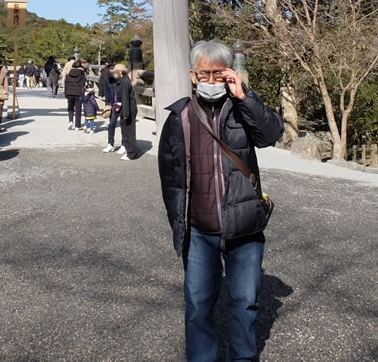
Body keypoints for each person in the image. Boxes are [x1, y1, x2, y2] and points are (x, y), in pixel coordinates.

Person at [158, 40, 283, 362]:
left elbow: (271, 135)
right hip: (199, 230)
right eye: (205, 74)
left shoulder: (242, 109)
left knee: (245, 302)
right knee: (198, 305)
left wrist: (245, 96)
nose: (211, 81)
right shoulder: (180, 116)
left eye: (218, 74)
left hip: (244, 228)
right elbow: (170, 178)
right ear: (193, 75)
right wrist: (179, 225)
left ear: (230, 74)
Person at [110, 64, 139, 160]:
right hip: (123, 109)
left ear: (120, 72)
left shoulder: (125, 82)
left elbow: (126, 99)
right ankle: (128, 149)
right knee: (125, 131)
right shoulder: (121, 81)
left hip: (128, 110)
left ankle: (131, 153)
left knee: (129, 132)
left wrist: (126, 113)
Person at [102, 66, 121, 153]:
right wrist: (107, 103)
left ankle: (124, 145)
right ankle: (110, 144)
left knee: (124, 126)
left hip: (122, 104)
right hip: (113, 105)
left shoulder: (122, 79)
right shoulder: (108, 79)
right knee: (111, 124)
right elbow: (107, 92)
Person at [64, 60, 87, 130]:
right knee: (78, 110)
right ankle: (77, 125)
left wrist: (66, 94)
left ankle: (71, 121)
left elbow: (66, 85)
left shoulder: (68, 75)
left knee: (70, 108)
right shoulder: (82, 75)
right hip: (78, 94)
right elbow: (83, 85)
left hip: (69, 93)